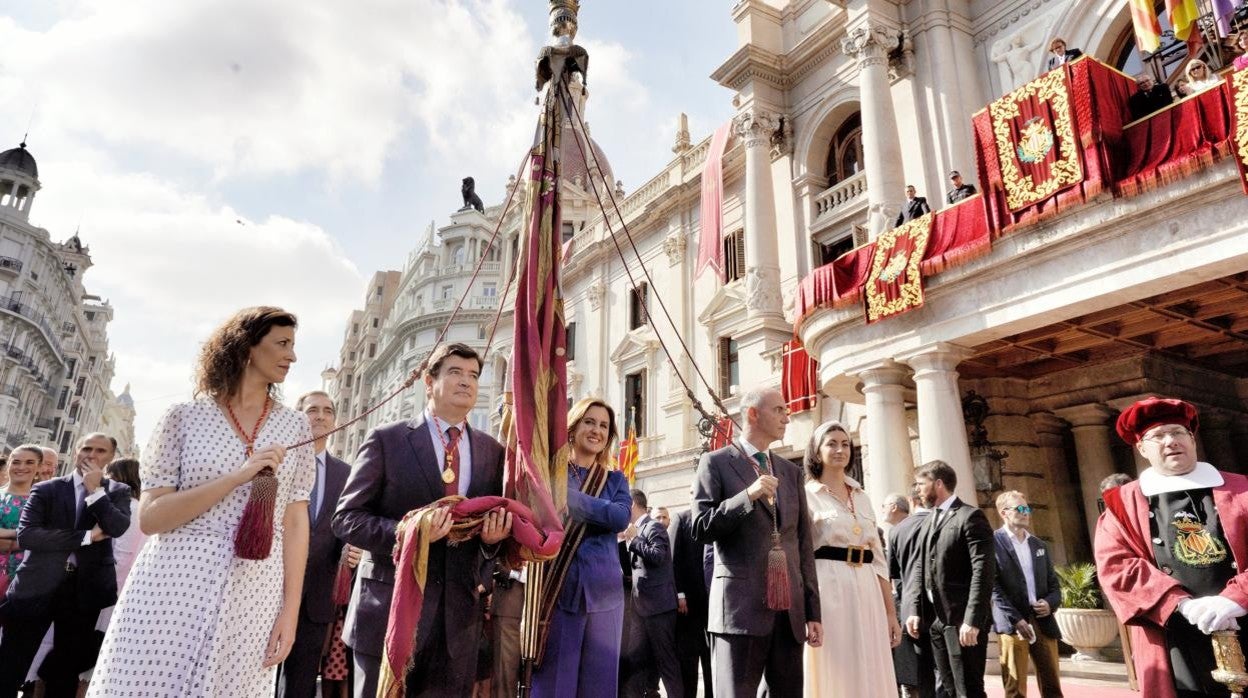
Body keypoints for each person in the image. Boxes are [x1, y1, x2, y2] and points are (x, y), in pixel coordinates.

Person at [87, 307, 316, 697]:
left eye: (293, 346)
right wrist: (237, 477)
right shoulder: (182, 418)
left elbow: (294, 523)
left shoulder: (296, 426)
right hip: (174, 581)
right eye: (282, 344)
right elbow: (153, 518)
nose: (291, 356)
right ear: (246, 347)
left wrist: (289, 611)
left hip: (255, 588)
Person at [333, 342, 511, 697]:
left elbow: (494, 536)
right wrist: (410, 533)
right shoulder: (387, 440)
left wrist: (492, 546)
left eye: (474, 375)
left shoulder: (493, 452)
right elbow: (347, 519)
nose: (467, 382)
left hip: (458, 623)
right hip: (389, 613)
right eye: (455, 372)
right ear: (429, 382)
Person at [1096, 397, 1248, 698]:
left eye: (1178, 433)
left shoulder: (1241, 490)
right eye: (1158, 436)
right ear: (1142, 448)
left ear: (1192, 439)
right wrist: (1180, 604)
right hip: (1171, 636)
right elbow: (1118, 567)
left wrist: (1237, 597)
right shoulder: (1122, 505)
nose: (1170, 441)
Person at [692, 386, 821, 697]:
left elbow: (802, 544)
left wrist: (813, 611)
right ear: (752, 414)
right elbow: (701, 528)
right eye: (778, 410)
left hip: (788, 613)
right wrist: (747, 496)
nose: (786, 418)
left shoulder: (790, 471)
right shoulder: (715, 463)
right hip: (739, 611)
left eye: (787, 411)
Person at [0, 433, 130, 698]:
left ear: (111, 457)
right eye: (86, 448)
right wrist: (87, 537)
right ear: (75, 452)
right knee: (10, 663)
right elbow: (28, 535)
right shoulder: (47, 489)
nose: (92, 455)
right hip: (36, 585)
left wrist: (96, 492)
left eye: (100, 451)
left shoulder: (118, 492)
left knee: (65, 671)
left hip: (83, 591)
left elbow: (116, 527)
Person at [531, 397, 631, 698]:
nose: (596, 430)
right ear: (573, 427)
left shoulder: (616, 479)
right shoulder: (552, 472)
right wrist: (601, 510)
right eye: (589, 421)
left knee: (600, 687)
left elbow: (620, 517)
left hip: (606, 596)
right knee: (554, 686)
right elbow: (607, 514)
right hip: (560, 590)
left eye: (603, 426)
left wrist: (571, 500)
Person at [801, 421, 899, 697]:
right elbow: (802, 557)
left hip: (867, 588)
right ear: (816, 451)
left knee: (871, 662)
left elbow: (878, 559)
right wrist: (809, 610)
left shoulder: (863, 496)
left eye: (845, 444)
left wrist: (890, 613)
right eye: (831, 443)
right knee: (839, 663)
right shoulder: (806, 496)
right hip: (829, 588)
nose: (839, 449)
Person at [278, 390, 356, 698]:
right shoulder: (279, 463)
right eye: (312, 410)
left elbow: (345, 528)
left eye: (327, 411)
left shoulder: (347, 474)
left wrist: (350, 551)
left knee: (301, 682)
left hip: (317, 599)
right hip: (271, 589)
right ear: (298, 417)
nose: (321, 416)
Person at [903, 460, 995, 698]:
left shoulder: (970, 516)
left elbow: (983, 571)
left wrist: (972, 620)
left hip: (964, 621)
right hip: (937, 622)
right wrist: (914, 609)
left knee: (969, 689)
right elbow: (919, 567)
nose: (917, 490)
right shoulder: (928, 520)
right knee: (948, 689)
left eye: (921, 484)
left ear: (939, 483)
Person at [991, 491, 1063, 698]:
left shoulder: (1038, 545)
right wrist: (1016, 619)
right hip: (1012, 623)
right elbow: (993, 587)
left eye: (1027, 509)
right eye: (1020, 509)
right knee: (1015, 689)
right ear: (1004, 513)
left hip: (1043, 620)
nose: (1026, 513)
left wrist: (1050, 604)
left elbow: (1054, 585)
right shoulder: (993, 543)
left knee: (1052, 684)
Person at [622, 489, 682, 698]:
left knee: (666, 661)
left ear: (631, 505)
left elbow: (658, 556)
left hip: (659, 609)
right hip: (640, 608)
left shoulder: (653, 526)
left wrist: (635, 540)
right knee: (637, 658)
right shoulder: (634, 530)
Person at [888, 484, 936, 698]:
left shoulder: (898, 530)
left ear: (911, 501)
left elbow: (895, 574)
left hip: (910, 610)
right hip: (945, 607)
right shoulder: (943, 522)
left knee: (922, 669)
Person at [670, 502, 711, 698]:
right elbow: (673, 559)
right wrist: (680, 594)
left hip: (714, 606)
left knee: (713, 663)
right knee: (689, 664)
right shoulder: (682, 518)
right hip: (689, 607)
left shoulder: (717, 517)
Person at [0, 445, 39, 588]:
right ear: (8, 464)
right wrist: (18, 533)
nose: (21, 467)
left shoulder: (42, 502)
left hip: (22, 576)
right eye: (16, 462)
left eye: (29, 462)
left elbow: (44, 539)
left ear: (38, 467)